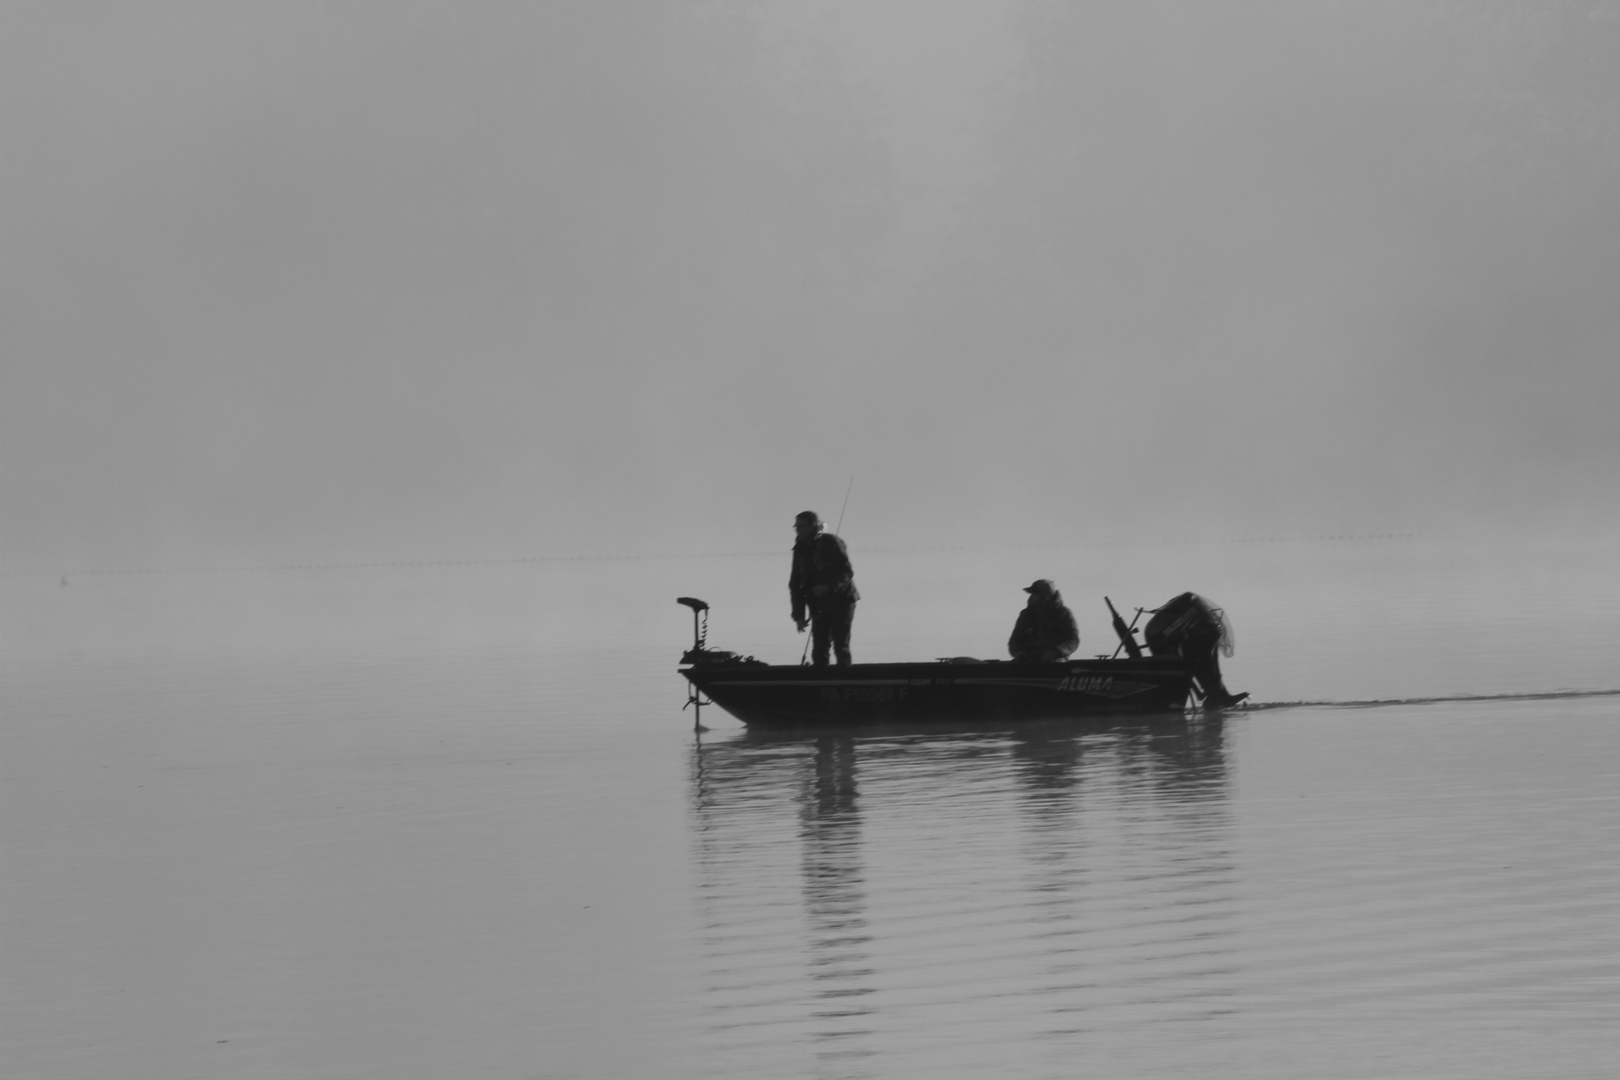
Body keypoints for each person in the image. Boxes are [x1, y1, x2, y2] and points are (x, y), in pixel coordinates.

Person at [1142, 592, 1248, 709]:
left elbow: (1212, 662)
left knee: (1200, 659)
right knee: (1199, 659)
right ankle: (1216, 696)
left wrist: (1220, 693)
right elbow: (1205, 664)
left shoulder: (1204, 632)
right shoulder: (1202, 635)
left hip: (1174, 640)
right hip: (1164, 642)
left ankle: (1219, 696)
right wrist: (1200, 692)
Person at [790, 510, 859, 666]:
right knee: (819, 649)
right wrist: (799, 616)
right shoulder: (799, 549)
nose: (797, 529)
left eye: (802, 526)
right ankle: (821, 683)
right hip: (819, 605)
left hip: (842, 601)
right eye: (796, 526)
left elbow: (846, 572)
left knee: (841, 646)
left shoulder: (831, 542)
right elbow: (795, 584)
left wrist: (828, 587)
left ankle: (845, 682)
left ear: (813, 526)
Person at [1008, 579, 1080, 663]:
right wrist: (1017, 652)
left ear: (1045, 597)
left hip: (1055, 661)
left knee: (1057, 665)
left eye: (1035, 594)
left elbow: (1073, 640)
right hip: (1027, 659)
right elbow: (1014, 640)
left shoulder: (1063, 613)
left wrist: (1056, 652)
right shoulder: (1025, 615)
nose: (1031, 597)